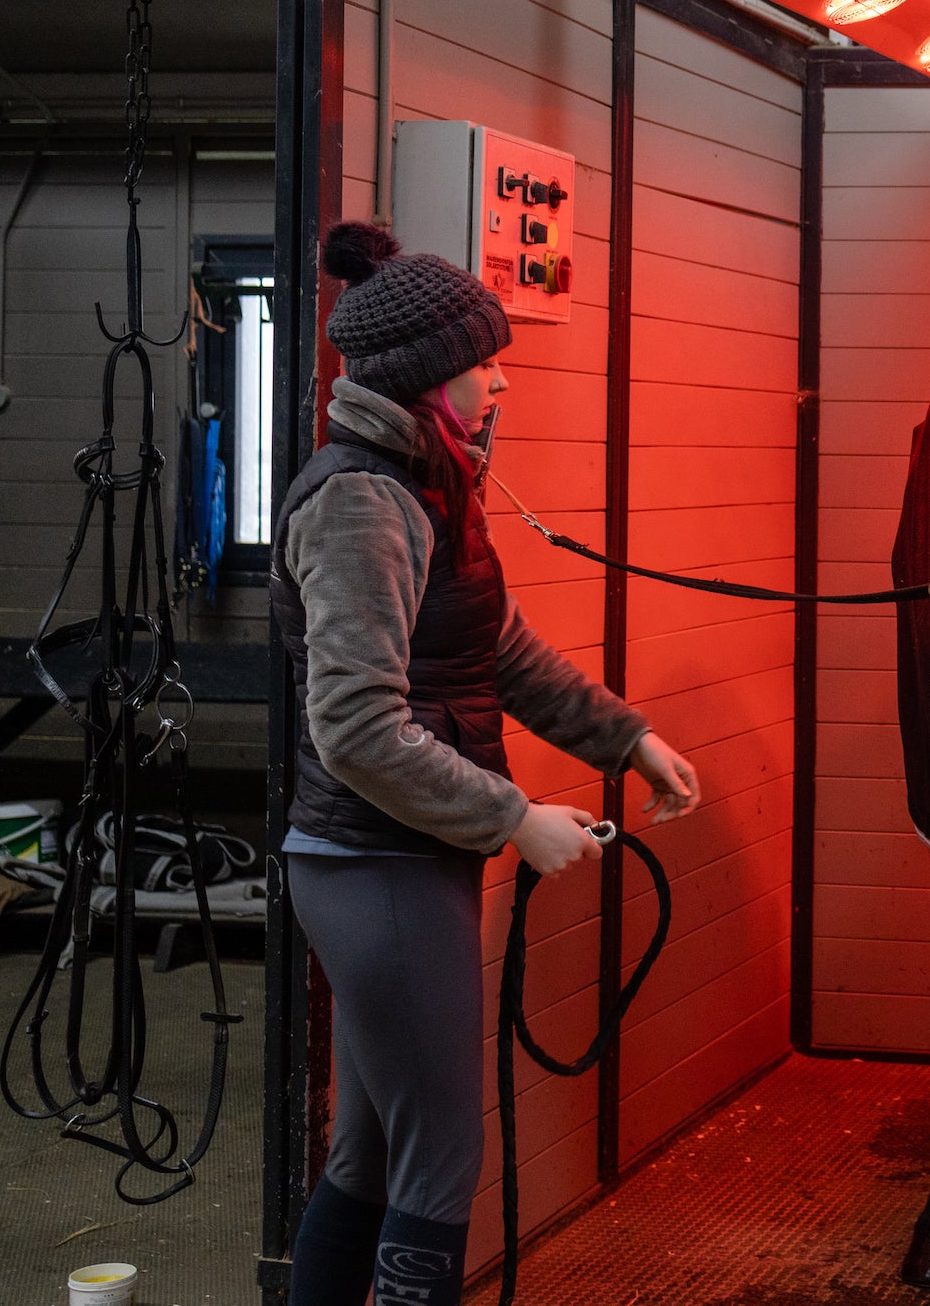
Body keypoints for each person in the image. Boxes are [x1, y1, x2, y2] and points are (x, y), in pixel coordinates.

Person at [272, 221, 702, 1306]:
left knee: (371, 1154)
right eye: (485, 364)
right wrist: (515, 816)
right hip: (375, 860)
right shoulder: (363, 502)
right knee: (441, 1154)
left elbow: (495, 649)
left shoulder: (429, 486)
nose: (502, 382)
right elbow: (357, 726)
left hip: (398, 857)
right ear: (429, 379)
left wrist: (626, 737)